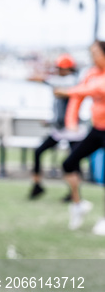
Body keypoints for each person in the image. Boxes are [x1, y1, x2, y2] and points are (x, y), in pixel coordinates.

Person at [55, 41, 105, 233]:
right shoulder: (91, 73)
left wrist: (67, 91)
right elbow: (79, 97)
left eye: (95, 52)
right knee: (69, 163)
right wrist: (71, 121)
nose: (92, 56)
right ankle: (78, 205)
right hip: (97, 129)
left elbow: (97, 89)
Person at [28, 54, 83, 200]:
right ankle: (37, 185)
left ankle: (74, 193)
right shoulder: (64, 82)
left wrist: (43, 79)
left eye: (60, 68)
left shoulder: (74, 82)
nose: (58, 70)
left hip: (72, 129)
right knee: (39, 152)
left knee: (72, 161)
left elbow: (62, 90)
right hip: (59, 129)